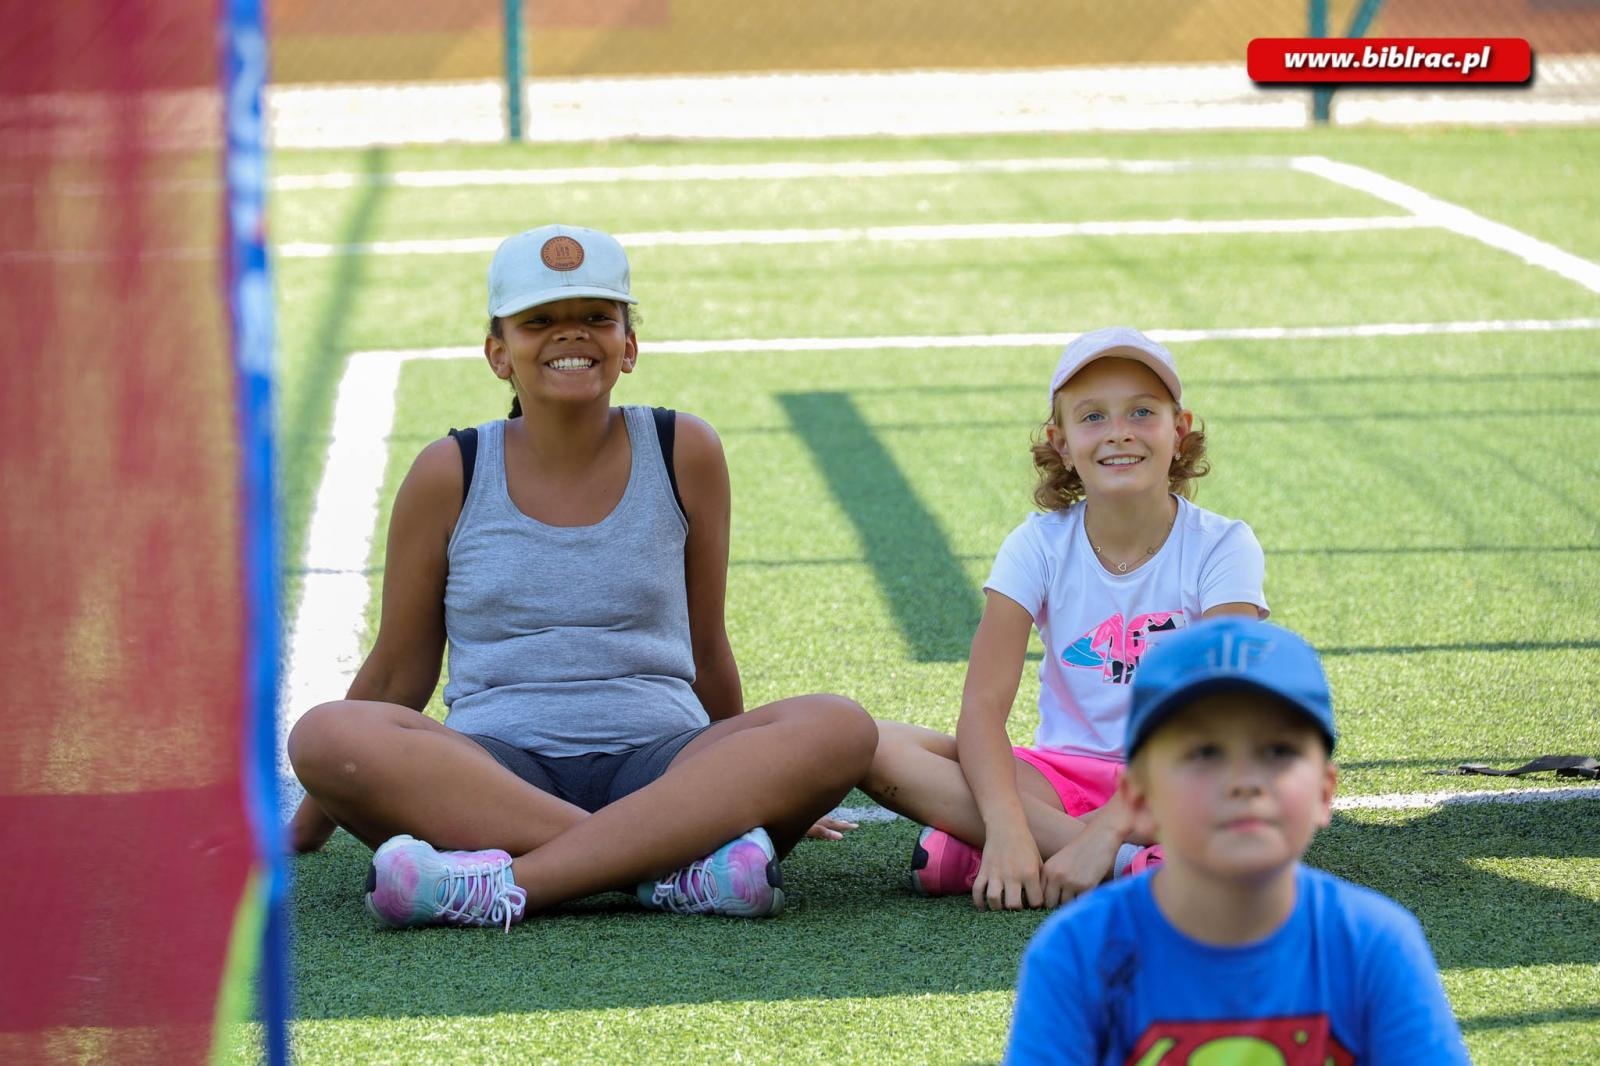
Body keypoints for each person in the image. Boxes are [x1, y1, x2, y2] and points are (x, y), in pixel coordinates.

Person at [286, 224, 877, 929]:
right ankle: (672, 869)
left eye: (597, 318)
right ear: (498, 353)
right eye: (539, 322)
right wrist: (306, 827)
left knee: (837, 727)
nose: (572, 337)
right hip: (493, 773)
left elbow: (707, 646)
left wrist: (752, 779)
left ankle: (502, 885)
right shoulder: (449, 471)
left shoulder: (684, 449)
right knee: (326, 735)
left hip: (663, 762)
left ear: (628, 346)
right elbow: (395, 675)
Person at [860, 326, 1267, 910]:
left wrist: (1105, 829)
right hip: (1060, 778)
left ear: (1179, 431)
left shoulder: (1223, 545)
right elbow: (981, 708)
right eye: (1092, 417)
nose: (1119, 433)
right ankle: (1129, 869)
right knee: (876, 745)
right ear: (1062, 441)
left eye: (1142, 412)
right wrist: (1006, 828)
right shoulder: (1039, 544)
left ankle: (1022, 850)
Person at [1005, 617, 1470, 1063]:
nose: (1244, 782)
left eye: (1278, 752)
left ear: (1325, 793)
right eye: (1205, 752)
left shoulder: (1373, 945)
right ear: (1138, 798)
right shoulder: (1080, 953)